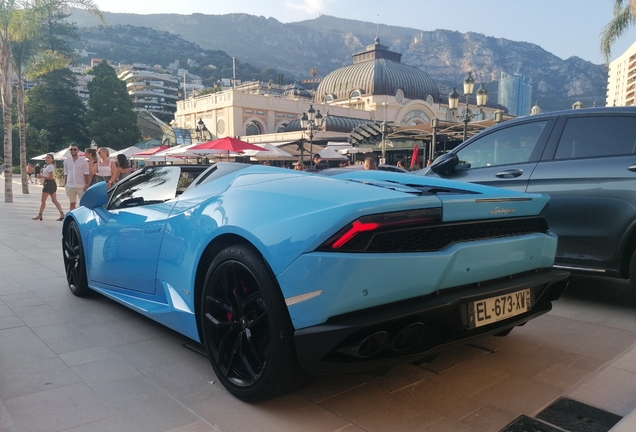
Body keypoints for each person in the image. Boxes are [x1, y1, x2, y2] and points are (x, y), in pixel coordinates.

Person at [32, 153, 65, 221]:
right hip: (50, 183)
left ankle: (40, 214)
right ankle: (61, 214)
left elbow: (51, 177)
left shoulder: (50, 166)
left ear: (52, 159)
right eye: (46, 157)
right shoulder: (49, 166)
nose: (47, 159)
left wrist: (42, 176)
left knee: (43, 200)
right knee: (54, 200)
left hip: (49, 183)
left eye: (49, 158)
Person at [63, 144, 89, 211]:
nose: (73, 151)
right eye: (71, 149)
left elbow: (86, 173)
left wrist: (87, 185)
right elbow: (66, 173)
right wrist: (65, 184)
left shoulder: (83, 161)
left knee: (83, 203)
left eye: (75, 149)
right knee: (72, 203)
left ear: (78, 150)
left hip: (81, 186)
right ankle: (72, 218)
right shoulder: (66, 161)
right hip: (70, 185)